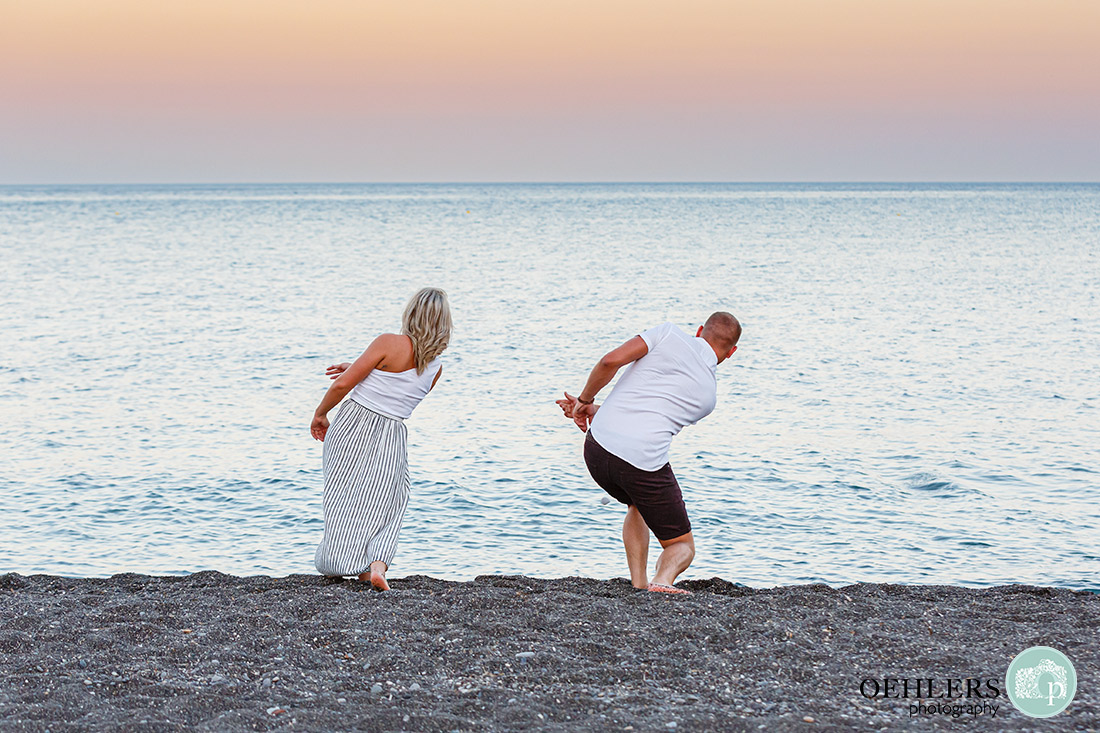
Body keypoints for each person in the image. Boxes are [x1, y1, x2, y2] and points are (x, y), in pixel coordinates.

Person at [557, 313, 741, 594]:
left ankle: (639, 584)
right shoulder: (708, 395)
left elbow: (610, 362)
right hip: (639, 462)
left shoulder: (667, 333)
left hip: (596, 449)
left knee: (637, 503)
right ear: (731, 353)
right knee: (681, 545)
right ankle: (662, 581)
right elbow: (653, 415)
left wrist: (585, 403)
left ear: (700, 330)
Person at [310, 287, 451, 591]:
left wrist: (320, 414)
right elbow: (396, 393)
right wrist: (366, 370)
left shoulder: (389, 342)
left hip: (352, 424)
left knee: (346, 494)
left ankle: (343, 560)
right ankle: (374, 565)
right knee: (389, 499)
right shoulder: (436, 368)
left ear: (411, 314)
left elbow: (344, 385)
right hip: (392, 434)